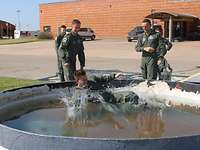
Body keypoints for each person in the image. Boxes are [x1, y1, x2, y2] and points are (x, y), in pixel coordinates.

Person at [74, 70, 139, 105]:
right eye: (83, 80)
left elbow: (103, 78)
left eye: (86, 78)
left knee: (132, 95)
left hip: (111, 95)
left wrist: (114, 76)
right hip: (105, 104)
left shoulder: (92, 79)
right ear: (77, 81)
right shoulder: (78, 92)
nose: (86, 81)